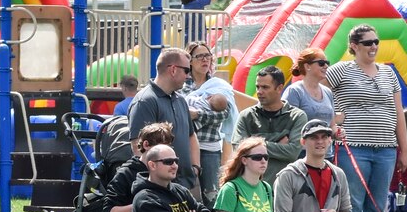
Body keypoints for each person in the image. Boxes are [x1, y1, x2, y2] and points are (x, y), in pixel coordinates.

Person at [327, 23, 407, 212]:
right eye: (368, 42)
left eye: (376, 42)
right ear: (354, 46)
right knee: (352, 201)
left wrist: (403, 150)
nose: (373, 46)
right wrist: (333, 124)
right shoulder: (341, 70)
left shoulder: (388, 72)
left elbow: (398, 113)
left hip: (386, 148)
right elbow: (318, 98)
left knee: (379, 202)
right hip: (353, 146)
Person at [129, 48, 200, 191]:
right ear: (173, 69)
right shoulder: (145, 101)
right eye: (186, 70)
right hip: (162, 188)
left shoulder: (180, 100)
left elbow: (191, 136)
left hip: (186, 184)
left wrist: (196, 168)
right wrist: (156, 182)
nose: (189, 76)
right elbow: (139, 146)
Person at [183, 41, 236, 196]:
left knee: (211, 194)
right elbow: (180, 112)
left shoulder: (218, 85)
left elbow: (224, 114)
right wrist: (203, 115)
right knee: (186, 191)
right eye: (199, 56)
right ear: (190, 61)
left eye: (207, 56)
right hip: (185, 146)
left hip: (210, 147)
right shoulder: (182, 86)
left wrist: (197, 115)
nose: (205, 60)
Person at [241, 66, 306, 182]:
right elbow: (239, 149)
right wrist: (278, 144)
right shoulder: (246, 116)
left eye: (265, 87)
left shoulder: (297, 116)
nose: (259, 92)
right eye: (257, 87)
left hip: (285, 187)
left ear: (280, 88)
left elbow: (292, 153)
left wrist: (253, 146)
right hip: (252, 187)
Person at [285, 48, 336, 128]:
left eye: (327, 63)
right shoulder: (295, 91)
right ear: (307, 66)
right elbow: (287, 124)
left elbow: (332, 126)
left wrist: (337, 133)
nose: (326, 66)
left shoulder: (327, 92)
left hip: (325, 140)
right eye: (321, 63)